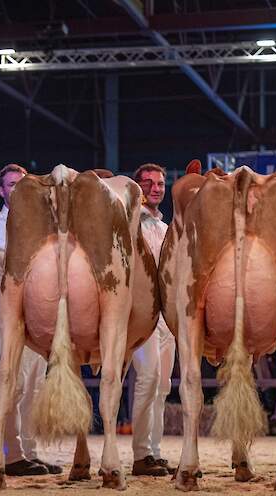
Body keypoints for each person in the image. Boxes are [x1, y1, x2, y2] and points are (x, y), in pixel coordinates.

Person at [0, 163, 59, 476]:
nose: (17, 189)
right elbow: (7, 265)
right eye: (11, 185)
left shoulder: (42, 224)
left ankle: (28, 450)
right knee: (13, 379)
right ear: (2, 191)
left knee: (34, 383)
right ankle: (11, 452)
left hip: (40, 308)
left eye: (22, 184)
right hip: (13, 308)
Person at [129, 163, 176, 476]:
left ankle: (154, 450)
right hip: (141, 315)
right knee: (147, 378)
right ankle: (140, 453)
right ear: (136, 187)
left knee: (163, 384)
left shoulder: (165, 226)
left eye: (160, 183)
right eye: (148, 183)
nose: (155, 188)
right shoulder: (131, 224)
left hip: (165, 317)